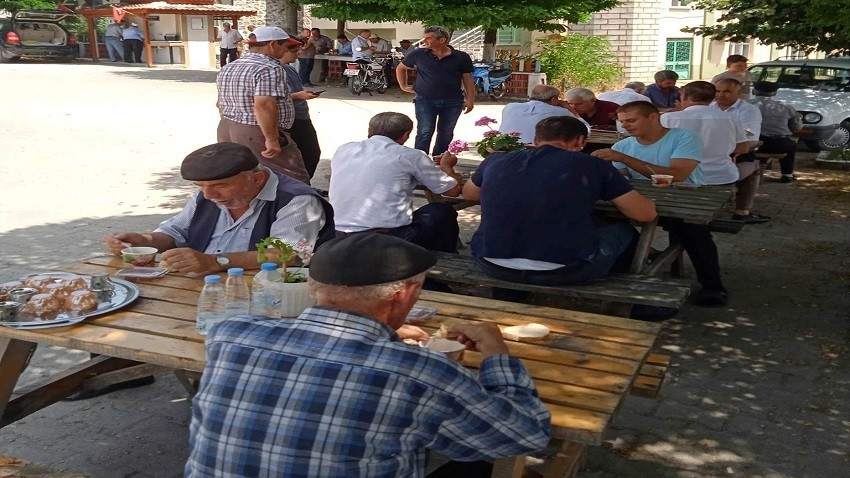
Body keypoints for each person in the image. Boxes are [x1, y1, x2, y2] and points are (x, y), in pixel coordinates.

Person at [184, 232, 551, 477]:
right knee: (473, 462)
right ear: (404, 294)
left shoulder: (230, 335)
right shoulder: (422, 372)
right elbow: (527, 435)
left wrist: (384, 335)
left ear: (312, 285)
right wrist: (498, 357)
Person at [463, 116, 656, 287]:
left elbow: (470, 194)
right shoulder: (592, 165)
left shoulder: (495, 159)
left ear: (536, 140)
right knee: (623, 230)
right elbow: (644, 214)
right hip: (566, 270)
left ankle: (511, 292)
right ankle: (636, 299)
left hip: (490, 263)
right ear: (580, 141)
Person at [104, 142, 334, 275]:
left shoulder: (296, 200)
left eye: (220, 186)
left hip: (261, 292)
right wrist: (144, 241)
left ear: (257, 179)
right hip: (199, 284)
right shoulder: (207, 195)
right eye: (201, 186)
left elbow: (287, 254)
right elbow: (176, 232)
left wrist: (215, 262)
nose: (208, 195)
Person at [592, 101, 729, 307]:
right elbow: (621, 178)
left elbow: (678, 175)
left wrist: (624, 158)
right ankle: (632, 272)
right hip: (645, 201)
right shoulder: (623, 145)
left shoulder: (683, 137)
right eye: (622, 122)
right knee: (606, 222)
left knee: (692, 230)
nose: (626, 126)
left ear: (653, 117)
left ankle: (712, 285)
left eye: (631, 120)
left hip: (687, 199)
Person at [329, 112, 463, 253]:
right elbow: (452, 191)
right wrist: (446, 167)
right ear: (406, 135)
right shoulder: (411, 156)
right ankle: (441, 259)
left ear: (370, 131)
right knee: (441, 211)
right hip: (385, 238)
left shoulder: (344, 150)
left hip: (337, 233)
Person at [216, 26, 310, 183]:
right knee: (293, 179)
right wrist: (272, 139)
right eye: (285, 45)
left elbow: (220, 103)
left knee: (246, 177)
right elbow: (264, 105)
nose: (286, 49)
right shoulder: (270, 68)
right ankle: (295, 206)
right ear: (273, 44)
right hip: (254, 130)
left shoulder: (230, 66)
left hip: (227, 126)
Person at [396, 26, 475, 156]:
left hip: (453, 101)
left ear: (442, 40)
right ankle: (419, 162)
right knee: (424, 132)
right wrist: (403, 86)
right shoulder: (418, 54)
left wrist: (470, 100)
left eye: (428, 38)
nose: (424, 41)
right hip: (425, 100)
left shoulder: (461, 57)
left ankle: (439, 162)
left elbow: (468, 79)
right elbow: (400, 68)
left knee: (446, 133)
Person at [660, 81, 749, 187]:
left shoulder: (667, 118)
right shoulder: (730, 118)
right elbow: (742, 148)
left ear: (685, 96)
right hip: (722, 176)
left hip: (682, 177)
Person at [711, 78, 768, 223]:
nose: (721, 95)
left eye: (727, 91)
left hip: (737, 153)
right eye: (718, 91)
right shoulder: (710, 107)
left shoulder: (748, 110)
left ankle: (741, 212)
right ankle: (742, 212)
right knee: (755, 168)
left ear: (739, 93)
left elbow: (747, 133)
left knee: (751, 162)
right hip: (717, 155)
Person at [280, 42, 322, 179]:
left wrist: (303, 94)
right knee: (294, 157)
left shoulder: (290, 69)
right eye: (294, 51)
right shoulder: (272, 71)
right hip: (290, 119)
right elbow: (268, 99)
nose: (297, 54)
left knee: (311, 153)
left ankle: (304, 184)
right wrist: (298, 96)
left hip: (302, 116)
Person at [748, 81, 803, 183]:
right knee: (791, 145)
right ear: (775, 93)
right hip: (778, 144)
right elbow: (797, 128)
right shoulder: (786, 107)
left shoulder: (745, 105)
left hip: (751, 144)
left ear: (753, 91)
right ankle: (787, 174)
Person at [499, 84, 588, 144]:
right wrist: (570, 109)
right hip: (537, 153)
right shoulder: (560, 112)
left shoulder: (510, 107)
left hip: (507, 148)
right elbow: (586, 130)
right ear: (554, 99)